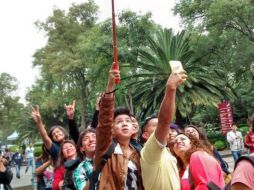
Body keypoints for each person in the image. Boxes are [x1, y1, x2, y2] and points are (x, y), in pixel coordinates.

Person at [94, 66, 143, 189]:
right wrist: (110, 85)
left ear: (134, 128)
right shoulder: (106, 147)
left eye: (128, 121)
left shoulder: (138, 153)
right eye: (119, 121)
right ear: (113, 130)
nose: (125, 123)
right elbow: (104, 121)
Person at [141, 72, 187, 190]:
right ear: (146, 135)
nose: (166, 129)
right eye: (155, 125)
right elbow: (164, 121)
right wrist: (171, 88)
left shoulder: (167, 151)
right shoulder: (149, 151)